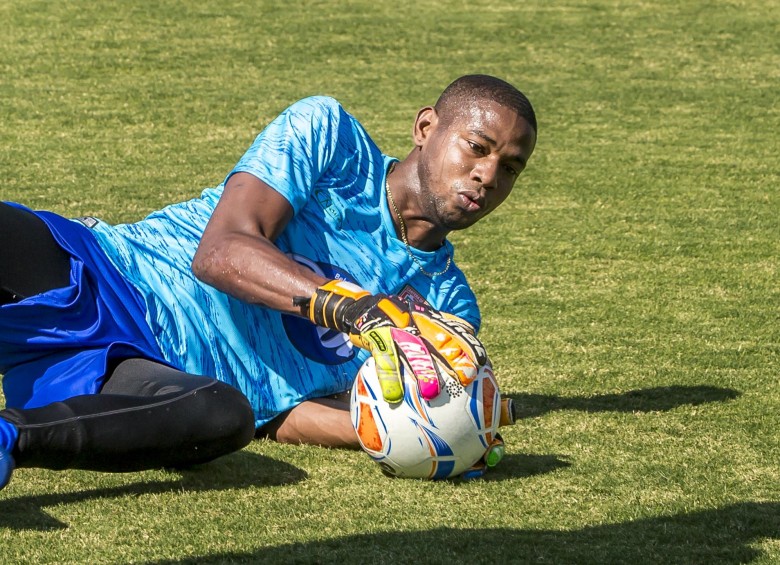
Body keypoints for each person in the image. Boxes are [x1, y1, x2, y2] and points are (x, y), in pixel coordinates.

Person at [0, 74, 537, 489]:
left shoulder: (446, 310)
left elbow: (287, 414)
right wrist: (350, 307)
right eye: (477, 146)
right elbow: (221, 252)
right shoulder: (331, 140)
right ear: (426, 129)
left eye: (510, 168)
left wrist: (433, 429)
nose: (488, 177)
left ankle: (9, 437)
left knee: (224, 418)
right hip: (102, 272)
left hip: (137, 376)